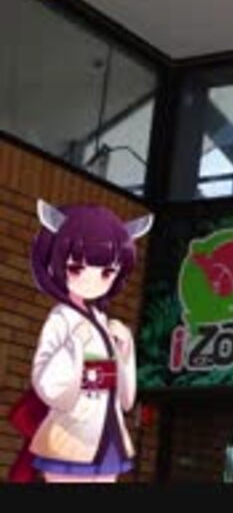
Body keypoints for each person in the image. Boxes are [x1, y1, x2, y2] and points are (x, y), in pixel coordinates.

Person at [7, 200, 152, 483]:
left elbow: (125, 399)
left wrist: (125, 349)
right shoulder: (61, 318)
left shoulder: (102, 320)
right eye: (76, 268)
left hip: (106, 429)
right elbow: (45, 380)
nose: (92, 281)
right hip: (72, 429)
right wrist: (72, 347)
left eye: (107, 272)